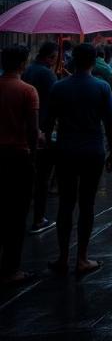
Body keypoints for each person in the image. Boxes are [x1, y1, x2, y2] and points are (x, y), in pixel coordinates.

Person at [45, 43, 112, 275]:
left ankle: (63, 256)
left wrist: (49, 147)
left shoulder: (58, 87)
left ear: (73, 60)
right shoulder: (102, 87)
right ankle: (82, 257)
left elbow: (47, 124)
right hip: (92, 150)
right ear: (94, 61)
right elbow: (110, 123)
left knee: (66, 203)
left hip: (65, 149)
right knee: (87, 204)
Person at [0, 44, 38, 285]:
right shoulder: (27, 91)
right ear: (23, 63)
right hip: (17, 154)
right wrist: (34, 154)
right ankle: (12, 268)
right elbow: (33, 130)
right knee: (16, 213)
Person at [22, 41, 58, 233]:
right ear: (50, 57)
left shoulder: (28, 71)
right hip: (43, 129)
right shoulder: (46, 74)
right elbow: (56, 99)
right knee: (43, 178)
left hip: (25, 130)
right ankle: (39, 218)